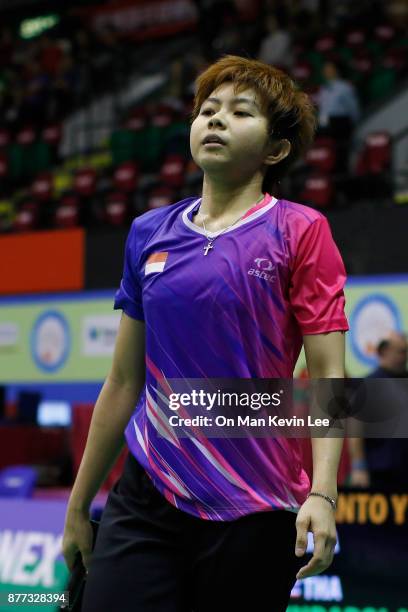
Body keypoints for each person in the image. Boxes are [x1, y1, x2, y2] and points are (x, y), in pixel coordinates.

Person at [62, 55, 348, 612]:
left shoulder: (300, 231)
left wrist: (323, 492)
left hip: (256, 502)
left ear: (275, 150)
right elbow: (122, 381)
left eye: (240, 112)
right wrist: (77, 505)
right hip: (149, 491)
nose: (215, 120)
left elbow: (330, 375)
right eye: (207, 110)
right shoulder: (150, 233)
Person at [348, 331, 408, 489]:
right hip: (379, 471)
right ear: (384, 352)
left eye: (406, 352)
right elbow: (356, 430)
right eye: (401, 351)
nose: (405, 356)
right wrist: (359, 467)